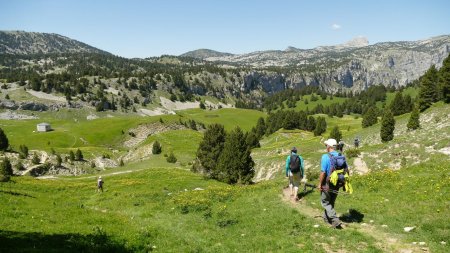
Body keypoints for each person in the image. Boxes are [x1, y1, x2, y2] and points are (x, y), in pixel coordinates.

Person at [317, 139, 343, 228]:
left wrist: (320, 184)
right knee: (331, 202)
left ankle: (335, 220)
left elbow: (323, 172)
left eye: (326, 146)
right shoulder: (340, 155)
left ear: (329, 147)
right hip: (337, 183)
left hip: (327, 183)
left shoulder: (325, 156)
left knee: (325, 202)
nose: (326, 147)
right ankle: (326, 218)